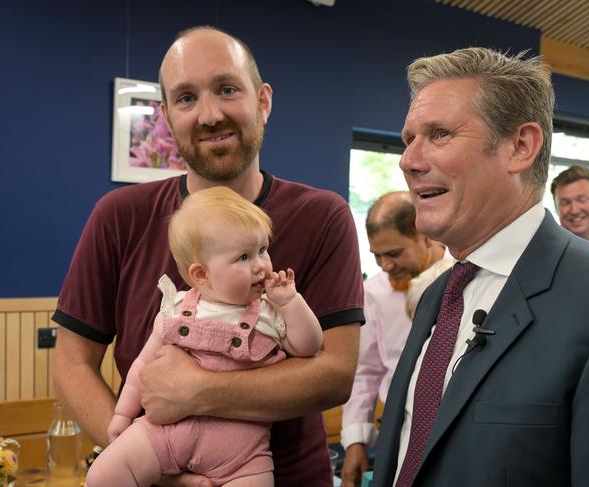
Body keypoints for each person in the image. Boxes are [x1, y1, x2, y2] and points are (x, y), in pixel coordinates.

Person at [52, 26, 364, 487]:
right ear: (165, 117)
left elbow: (335, 374)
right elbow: (71, 362)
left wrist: (198, 392)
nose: (209, 114)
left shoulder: (323, 216)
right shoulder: (119, 216)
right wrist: (145, 460)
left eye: (227, 89)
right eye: (185, 98)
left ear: (263, 101)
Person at [373, 47, 589, 486]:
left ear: (520, 147)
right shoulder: (438, 294)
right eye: (408, 139)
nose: (408, 161)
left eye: (438, 134)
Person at [86, 187, 323, 487]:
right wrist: (122, 414)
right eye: (243, 256)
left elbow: (309, 346)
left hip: (243, 456)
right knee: (103, 475)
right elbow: (142, 368)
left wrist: (291, 303)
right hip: (164, 436)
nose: (260, 265)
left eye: (262, 250)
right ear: (201, 275)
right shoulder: (175, 310)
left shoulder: (269, 312)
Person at [340, 191, 448, 487]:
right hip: (397, 428)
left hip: (451, 426)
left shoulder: (460, 278)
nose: (385, 265)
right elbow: (366, 370)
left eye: (394, 253)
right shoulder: (373, 292)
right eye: (377, 255)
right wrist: (356, 440)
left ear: (424, 236)